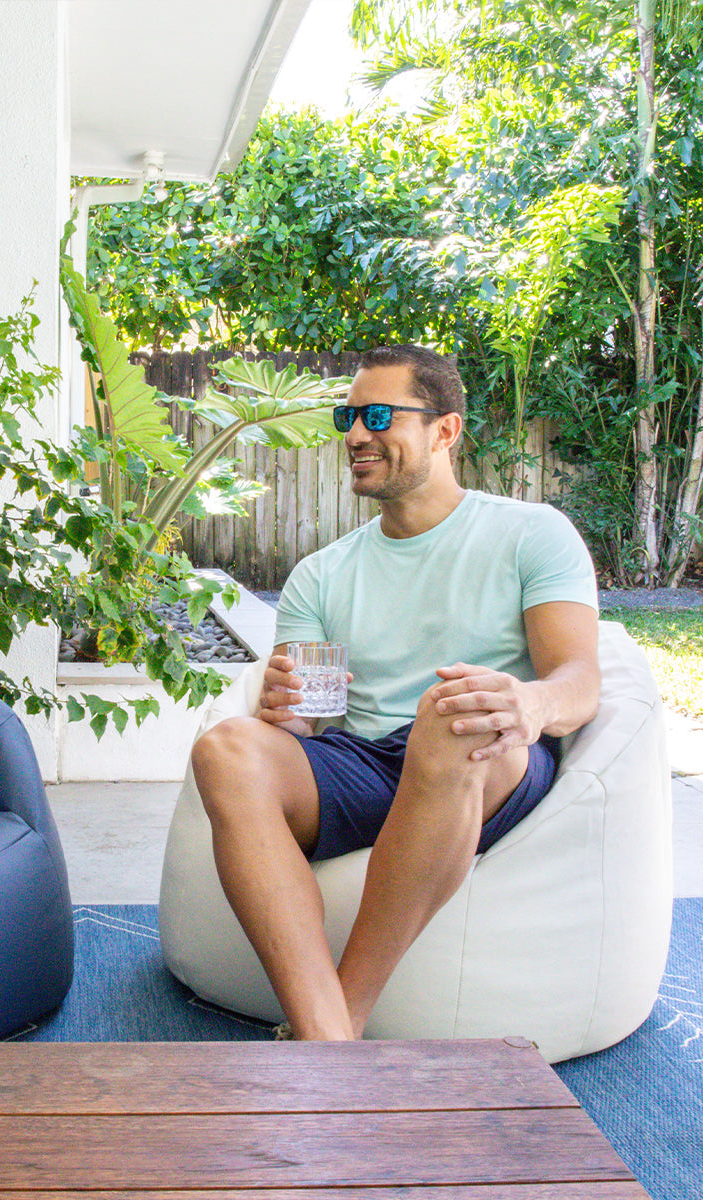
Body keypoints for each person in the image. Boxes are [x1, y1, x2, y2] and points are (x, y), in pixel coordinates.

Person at [191, 344, 601, 1042]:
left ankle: (337, 1021)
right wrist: (286, 712)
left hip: (484, 751)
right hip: (365, 759)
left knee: (450, 715)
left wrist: (530, 704)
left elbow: (579, 678)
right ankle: (329, 1041)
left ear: (445, 431)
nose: (355, 435)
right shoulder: (322, 574)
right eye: (347, 417)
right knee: (228, 748)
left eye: (378, 415)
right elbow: (310, 726)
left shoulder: (531, 535)